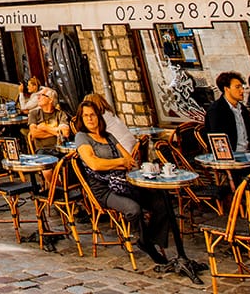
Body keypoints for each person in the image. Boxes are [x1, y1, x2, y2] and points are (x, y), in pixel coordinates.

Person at [74, 98, 195, 273]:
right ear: (81, 119)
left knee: (162, 202)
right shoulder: (82, 137)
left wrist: (117, 163)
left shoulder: (108, 136)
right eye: (86, 116)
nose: (90, 119)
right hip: (104, 189)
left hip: (125, 183)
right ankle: (147, 241)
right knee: (133, 209)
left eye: (92, 115)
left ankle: (148, 240)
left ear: (99, 117)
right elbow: (94, 165)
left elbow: (129, 161)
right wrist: (118, 162)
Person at [205, 70, 250, 153]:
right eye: (237, 87)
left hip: (249, 152)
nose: (242, 91)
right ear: (226, 89)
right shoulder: (216, 110)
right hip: (232, 156)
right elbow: (218, 140)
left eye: (242, 87)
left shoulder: (242, 108)